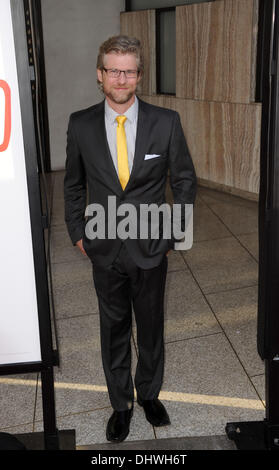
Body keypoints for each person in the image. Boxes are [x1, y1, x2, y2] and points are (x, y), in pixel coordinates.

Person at [64, 35, 197, 443]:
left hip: (151, 247)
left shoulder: (165, 121)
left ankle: (149, 395)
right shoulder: (81, 124)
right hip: (103, 245)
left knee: (151, 326)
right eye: (113, 70)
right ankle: (120, 404)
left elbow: (185, 181)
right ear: (100, 75)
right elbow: (73, 185)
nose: (121, 79)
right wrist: (78, 235)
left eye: (129, 71)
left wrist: (175, 234)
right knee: (114, 326)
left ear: (139, 75)